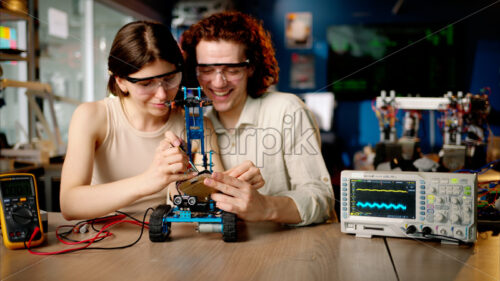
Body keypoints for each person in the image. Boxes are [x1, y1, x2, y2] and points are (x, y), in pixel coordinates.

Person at [181, 11, 334, 226]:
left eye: (231, 69)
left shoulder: (287, 111)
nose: (218, 82)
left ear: (251, 67)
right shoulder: (195, 123)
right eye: (206, 69)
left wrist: (265, 206)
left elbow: (322, 200)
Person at [60, 21, 224, 220]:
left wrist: (191, 186)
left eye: (170, 78)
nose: (162, 94)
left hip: (172, 242)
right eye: (146, 84)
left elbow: (215, 197)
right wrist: (149, 181)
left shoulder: (196, 125)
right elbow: (70, 204)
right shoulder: (92, 117)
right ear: (121, 81)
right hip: (107, 240)